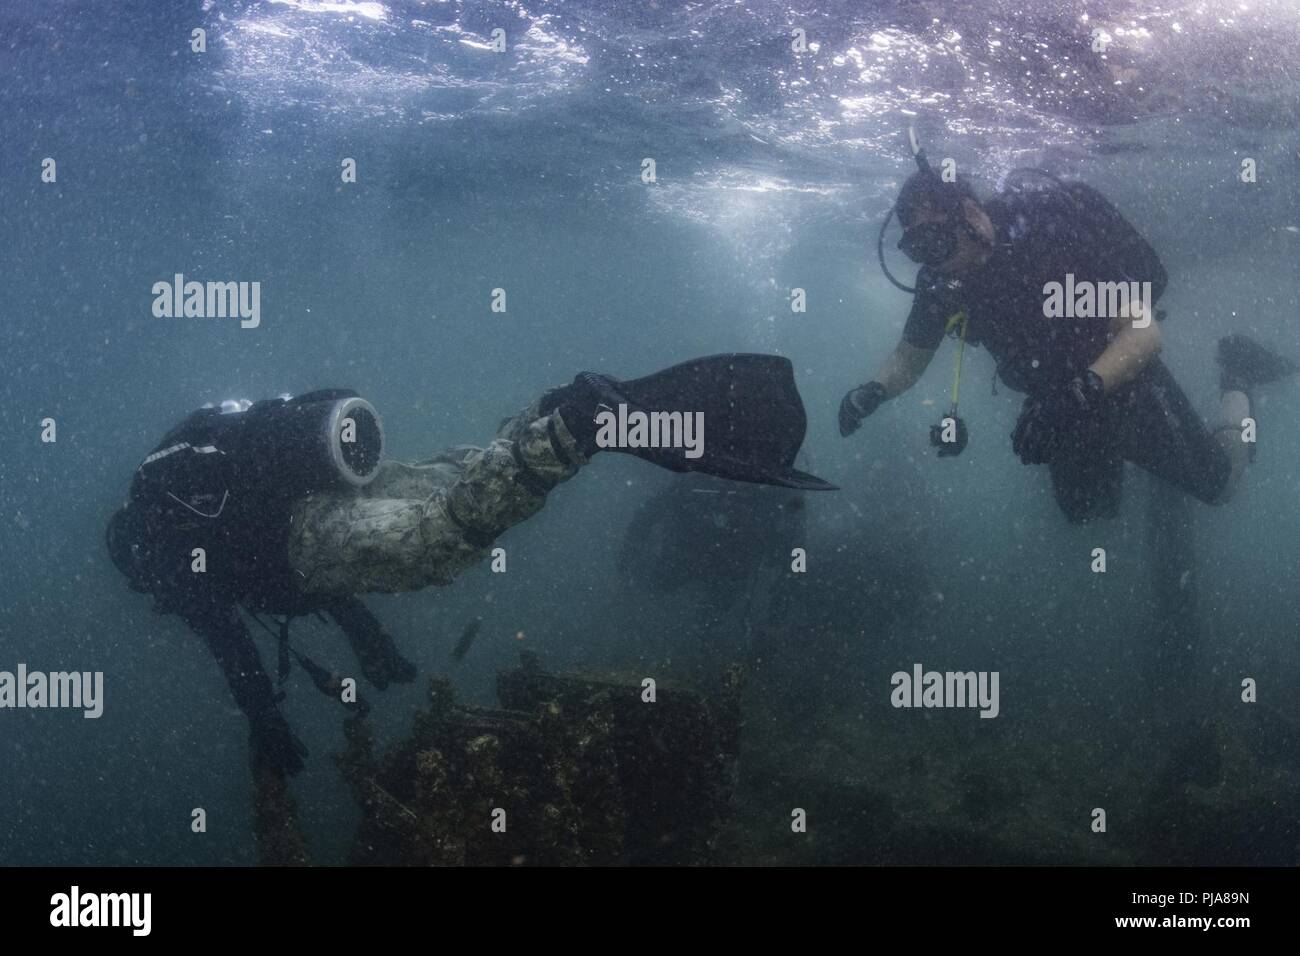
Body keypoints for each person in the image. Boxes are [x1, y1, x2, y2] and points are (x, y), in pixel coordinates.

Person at [106, 355, 834, 775]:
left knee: (431, 540)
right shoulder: (200, 508)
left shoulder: (171, 563)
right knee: (439, 479)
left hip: (306, 527)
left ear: (140, 564)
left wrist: (265, 722)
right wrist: (374, 644)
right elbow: (307, 593)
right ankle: (547, 417)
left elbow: (236, 639)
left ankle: (573, 428)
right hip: (327, 486)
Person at [838, 136, 1296, 521]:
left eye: (936, 240)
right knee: (1087, 513)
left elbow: (1144, 333)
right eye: (917, 248)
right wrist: (872, 392)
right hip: (1057, 401)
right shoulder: (941, 281)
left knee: (1218, 485)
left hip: (1121, 377)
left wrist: (1075, 396)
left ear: (973, 215)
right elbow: (908, 357)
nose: (931, 259)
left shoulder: (1047, 241)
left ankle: (1237, 376)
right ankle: (1147, 460)